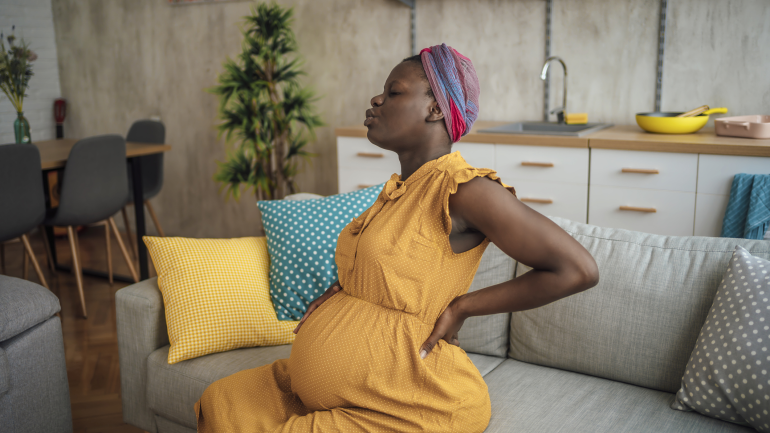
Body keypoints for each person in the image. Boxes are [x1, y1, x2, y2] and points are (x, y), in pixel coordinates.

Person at [196, 43, 599, 432]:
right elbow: (394, 272)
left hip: (408, 400)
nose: (375, 99)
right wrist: (347, 291)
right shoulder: (398, 190)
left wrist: (462, 307)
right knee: (221, 401)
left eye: (393, 92)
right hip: (354, 387)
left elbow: (577, 269)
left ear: (435, 108)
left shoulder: (462, 189)